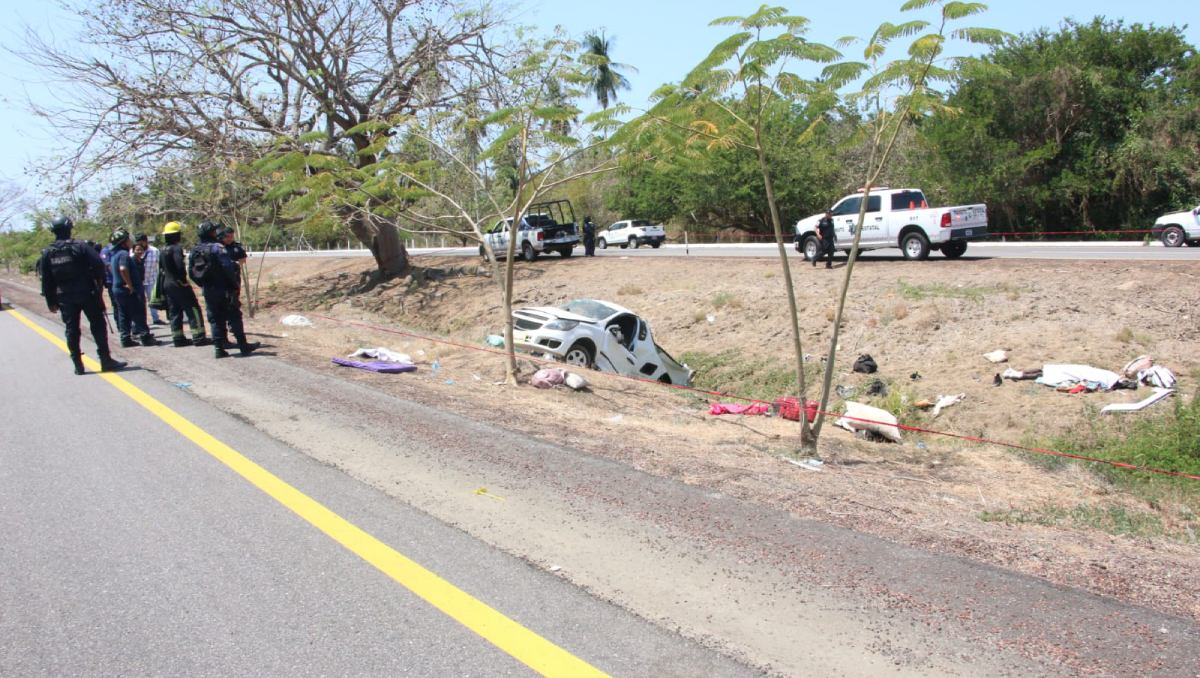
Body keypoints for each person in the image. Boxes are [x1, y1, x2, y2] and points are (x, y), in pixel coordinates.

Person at [37, 216, 126, 375]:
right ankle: (105, 360)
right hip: (87, 293)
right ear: (69, 228)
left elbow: (46, 279)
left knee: (72, 329)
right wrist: (98, 285)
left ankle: (78, 365)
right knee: (98, 325)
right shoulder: (81, 246)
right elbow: (99, 265)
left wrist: (51, 301)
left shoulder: (47, 253)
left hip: (64, 297)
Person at [192, 221, 259, 358]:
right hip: (224, 289)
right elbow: (228, 267)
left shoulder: (196, 250)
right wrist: (234, 285)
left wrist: (204, 285)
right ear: (211, 233)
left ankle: (219, 349)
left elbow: (192, 273)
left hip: (209, 290)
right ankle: (243, 346)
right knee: (234, 315)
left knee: (215, 318)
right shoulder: (217, 248)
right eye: (214, 231)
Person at [159, 221, 211, 347]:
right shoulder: (176, 248)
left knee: (174, 311)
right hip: (178, 284)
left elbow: (161, 268)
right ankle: (199, 337)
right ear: (177, 235)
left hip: (167, 284)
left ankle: (178, 338)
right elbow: (179, 266)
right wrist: (183, 281)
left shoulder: (162, 250)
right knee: (193, 309)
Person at [109, 228, 157, 347]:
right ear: (124, 242)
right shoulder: (124, 254)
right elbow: (123, 269)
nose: (131, 241)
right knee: (138, 312)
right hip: (127, 290)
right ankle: (145, 337)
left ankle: (125, 339)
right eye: (128, 239)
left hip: (118, 289)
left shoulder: (115, 254)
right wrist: (130, 285)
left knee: (124, 314)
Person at [135, 233, 164, 325]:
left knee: (152, 300)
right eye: (138, 242)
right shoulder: (134, 251)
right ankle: (140, 321)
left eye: (141, 242)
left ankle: (155, 318)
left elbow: (159, 264)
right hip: (139, 281)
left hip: (151, 279)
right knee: (139, 301)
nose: (140, 244)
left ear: (146, 241)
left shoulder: (154, 251)